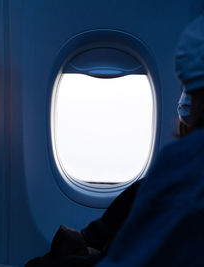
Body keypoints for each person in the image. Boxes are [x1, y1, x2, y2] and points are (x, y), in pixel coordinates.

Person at [26, 14, 204, 267]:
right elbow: (107, 235)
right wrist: (81, 244)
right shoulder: (166, 175)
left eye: (191, 89)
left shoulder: (182, 170)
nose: (184, 98)